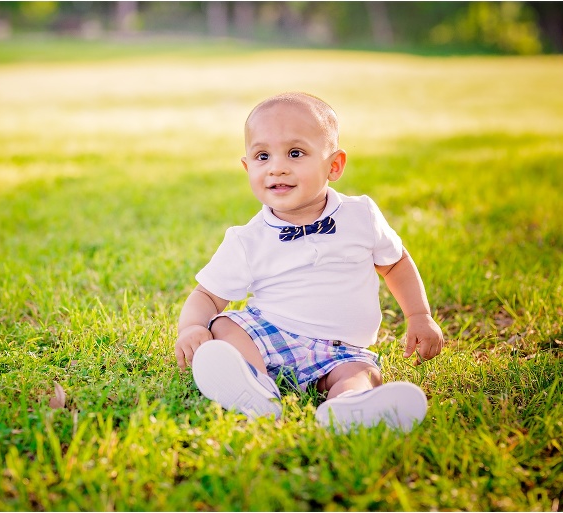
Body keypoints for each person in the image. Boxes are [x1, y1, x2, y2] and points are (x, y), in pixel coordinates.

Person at [174, 92, 444, 432]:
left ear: (334, 165)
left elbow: (395, 264)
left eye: (295, 153)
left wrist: (419, 315)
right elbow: (208, 297)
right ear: (247, 167)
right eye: (262, 156)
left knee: (362, 373)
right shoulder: (247, 238)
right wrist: (193, 328)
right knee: (225, 325)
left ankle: (347, 406)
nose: (277, 167)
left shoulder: (360, 215)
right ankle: (257, 389)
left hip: (341, 349)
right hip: (271, 335)